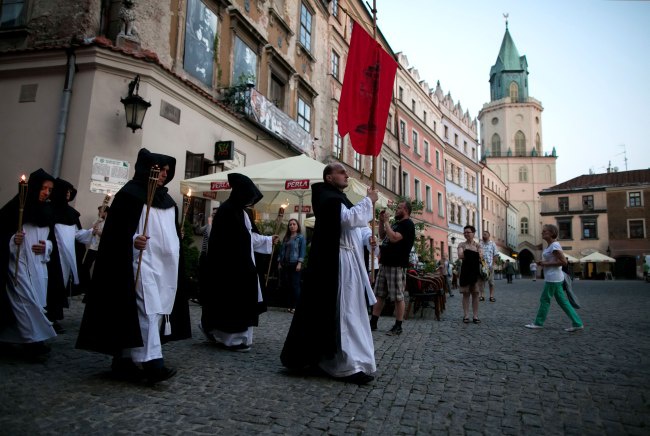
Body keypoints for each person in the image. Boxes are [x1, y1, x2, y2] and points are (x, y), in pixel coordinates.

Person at [77, 148, 191, 384]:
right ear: (147, 169)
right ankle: (152, 363)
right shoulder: (129, 195)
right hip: (138, 264)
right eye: (160, 171)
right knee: (147, 310)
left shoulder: (168, 201)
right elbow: (114, 234)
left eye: (167, 172)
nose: (164, 176)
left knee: (155, 311)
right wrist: (132, 240)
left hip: (164, 268)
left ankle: (124, 360)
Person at [281, 163, 379, 385]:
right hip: (337, 262)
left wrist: (368, 239)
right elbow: (347, 220)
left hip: (350, 261)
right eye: (341, 172)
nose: (346, 175)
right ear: (328, 177)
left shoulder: (339, 198)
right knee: (345, 312)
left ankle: (355, 361)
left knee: (353, 311)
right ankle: (346, 365)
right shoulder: (326, 197)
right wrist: (368, 201)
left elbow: (358, 226)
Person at [199, 173, 278, 352]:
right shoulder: (226, 211)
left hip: (243, 264)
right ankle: (231, 339)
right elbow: (225, 241)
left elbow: (249, 238)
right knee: (231, 303)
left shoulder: (242, 212)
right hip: (230, 267)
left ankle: (240, 338)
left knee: (242, 303)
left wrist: (267, 240)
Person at [0, 169, 56, 358]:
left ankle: (11, 338)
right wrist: (11, 240)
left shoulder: (47, 210)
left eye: (50, 189)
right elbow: (3, 232)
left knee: (34, 301)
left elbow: (51, 240)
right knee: (24, 302)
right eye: (43, 188)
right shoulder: (16, 207)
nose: (46, 192)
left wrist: (46, 246)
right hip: (17, 264)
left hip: (39, 265)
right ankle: (34, 342)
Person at [46, 179, 93, 333]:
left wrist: (92, 232)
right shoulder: (47, 210)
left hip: (66, 258)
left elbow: (77, 234)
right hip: (51, 257)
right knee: (50, 286)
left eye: (69, 191)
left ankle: (53, 317)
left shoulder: (71, 213)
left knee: (61, 286)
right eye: (65, 191)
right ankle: (47, 318)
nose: (68, 194)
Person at [525, 224, 584, 332]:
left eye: (545, 231)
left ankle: (538, 323)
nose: (542, 233)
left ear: (552, 233)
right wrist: (543, 263)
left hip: (553, 278)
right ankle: (577, 322)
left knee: (545, 299)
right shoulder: (551, 246)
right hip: (555, 277)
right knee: (562, 301)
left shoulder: (554, 246)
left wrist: (545, 263)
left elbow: (563, 262)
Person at [369, 200, 415, 336]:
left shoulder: (408, 224)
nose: (396, 210)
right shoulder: (397, 224)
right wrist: (382, 221)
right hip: (386, 262)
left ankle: (398, 325)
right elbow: (383, 235)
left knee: (397, 296)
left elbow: (394, 238)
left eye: (399, 208)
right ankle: (373, 322)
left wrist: (388, 222)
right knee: (379, 294)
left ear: (406, 210)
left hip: (397, 264)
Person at [79, 204, 109, 299]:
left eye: (101, 211)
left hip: (101, 248)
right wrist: (96, 224)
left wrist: (98, 232)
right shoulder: (98, 221)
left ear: (106, 212)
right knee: (85, 266)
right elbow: (92, 231)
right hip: (93, 247)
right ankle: (85, 288)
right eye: (99, 211)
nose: (99, 213)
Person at [277, 218, 306, 314]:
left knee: (295, 286)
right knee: (288, 285)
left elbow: (302, 251)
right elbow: (281, 251)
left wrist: (299, 263)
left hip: (295, 264)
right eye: (290, 224)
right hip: (285, 264)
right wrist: (279, 262)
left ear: (297, 226)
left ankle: (296, 306)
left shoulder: (300, 238)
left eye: (294, 224)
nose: (292, 226)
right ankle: (290, 305)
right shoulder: (286, 238)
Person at [458, 225, 483, 324]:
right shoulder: (461, 244)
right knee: (466, 294)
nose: (466, 234)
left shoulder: (478, 245)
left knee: (476, 294)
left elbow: (481, 255)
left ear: (473, 233)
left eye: (468, 232)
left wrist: (467, 253)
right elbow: (460, 255)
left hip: (476, 273)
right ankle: (466, 315)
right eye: (465, 232)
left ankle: (475, 316)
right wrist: (474, 255)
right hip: (465, 272)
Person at [479, 230, 498, 302]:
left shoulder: (492, 244)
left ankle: (491, 296)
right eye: (483, 234)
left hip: (490, 266)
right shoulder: (480, 244)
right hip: (482, 266)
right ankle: (482, 296)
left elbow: (495, 255)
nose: (483, 236)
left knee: (491, 282)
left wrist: (493, 265)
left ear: (489, 236)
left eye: (485, 234)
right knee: (481, 282)